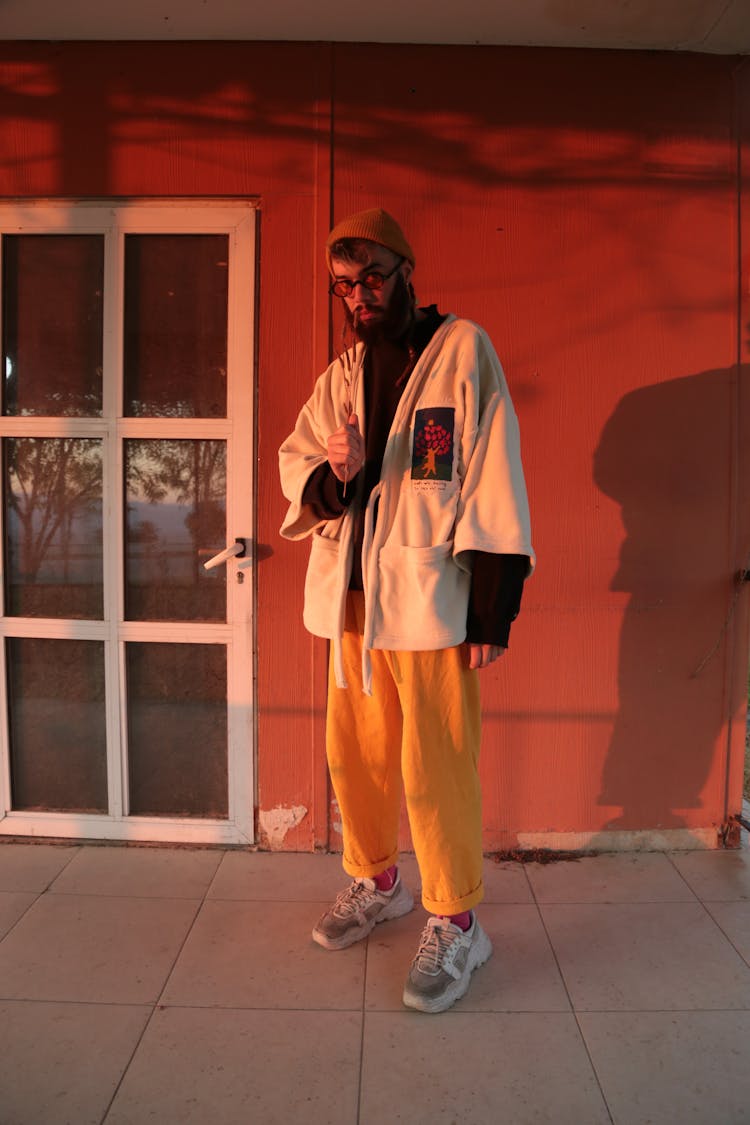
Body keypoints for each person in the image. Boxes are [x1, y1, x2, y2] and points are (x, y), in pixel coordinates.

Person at [279, 208, 533, 1013]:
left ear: (404, 271)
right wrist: (337, 470)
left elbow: (493, 469)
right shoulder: (341, 376)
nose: (358, 297)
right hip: (353, 606)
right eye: (344, 286)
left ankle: (458, 921)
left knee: (437, 764)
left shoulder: (462, 353)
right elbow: (302, 473)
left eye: (371, 279)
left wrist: (491, 609)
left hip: (427, 607)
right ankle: (377, 879)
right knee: (354, 755)